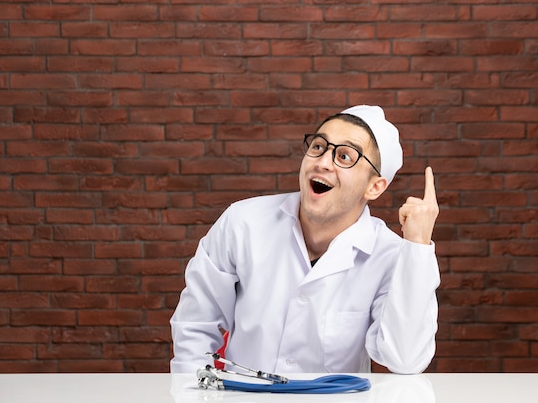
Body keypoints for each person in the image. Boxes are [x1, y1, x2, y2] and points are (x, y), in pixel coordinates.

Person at [170, 105, 440, 375]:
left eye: (345, 156)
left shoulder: (389, 255)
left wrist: (416, 246)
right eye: (319, 147)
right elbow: (196, 325)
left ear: (374, 187)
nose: (322, 162)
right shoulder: (242, 222)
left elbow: (405, 359)